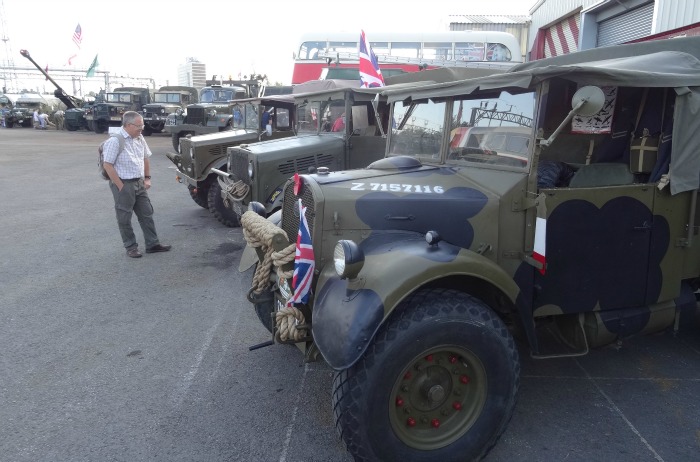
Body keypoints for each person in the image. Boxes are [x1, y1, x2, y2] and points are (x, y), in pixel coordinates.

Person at [101, 111, 171, 258]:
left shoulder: (139, 138)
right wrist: (120, 185)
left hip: (139, 182)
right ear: (127, 125)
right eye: (139, 126)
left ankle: (152, 244)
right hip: (124, 184)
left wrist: (147, 178)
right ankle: (131, 247)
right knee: (124, 217)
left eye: (142, 125)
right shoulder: (115, 141)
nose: (142, 129)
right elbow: (107, 165)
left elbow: (145, 158)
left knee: (147, 213)